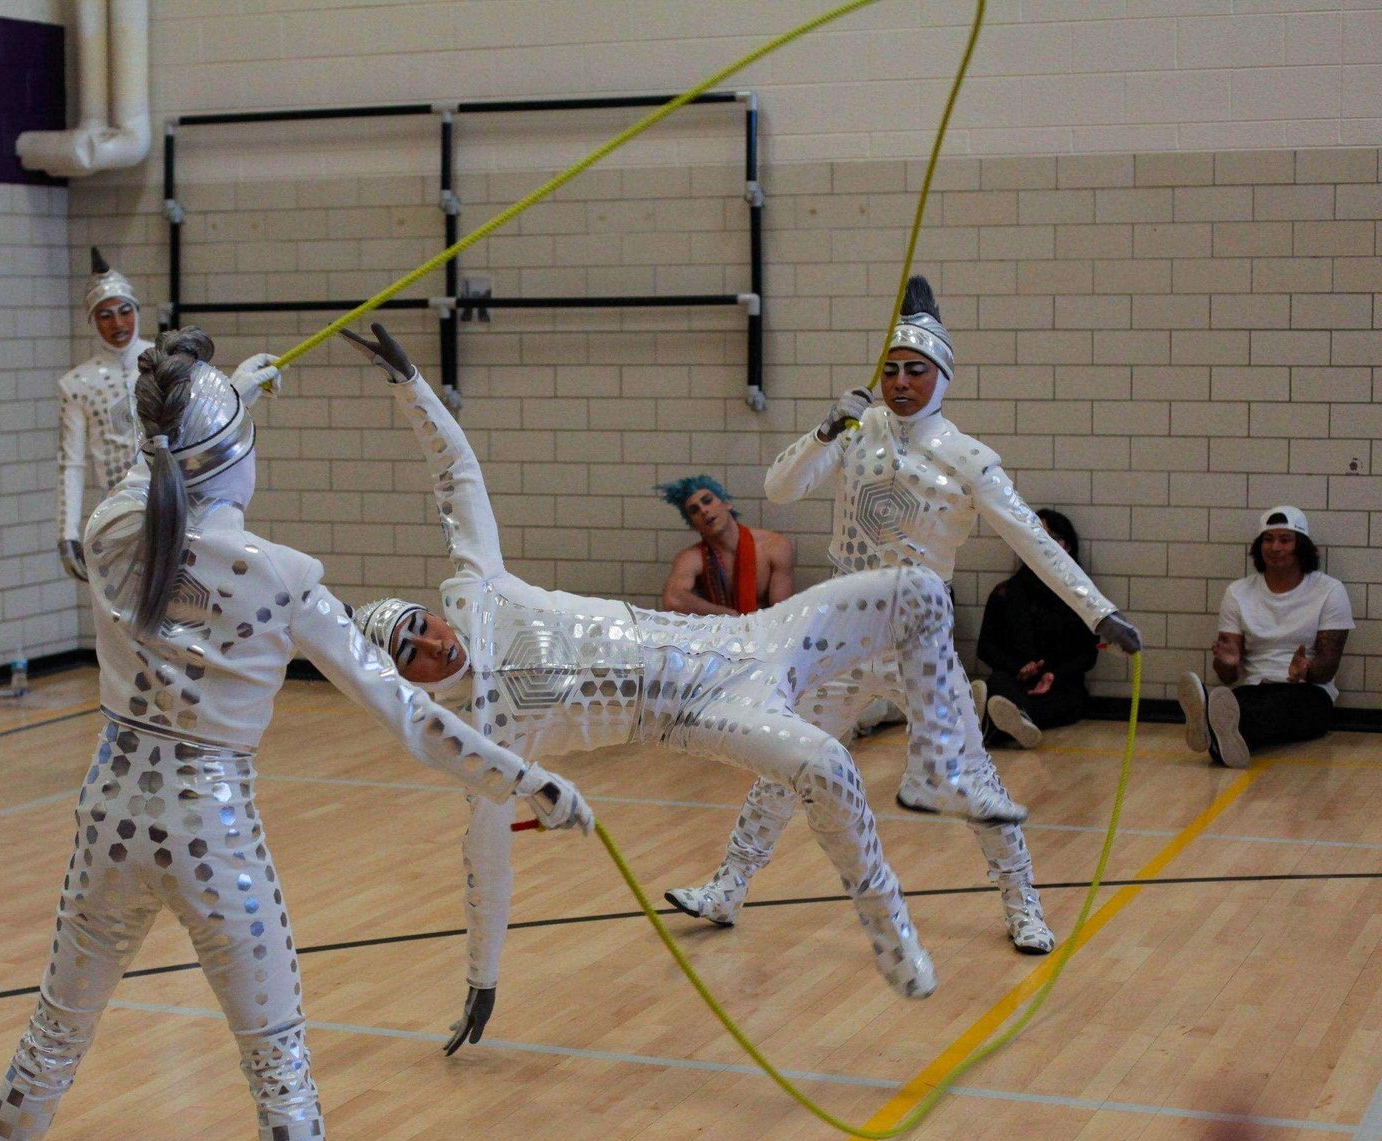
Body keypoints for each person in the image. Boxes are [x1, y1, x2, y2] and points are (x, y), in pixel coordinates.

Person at [0, 328, 594, 1141]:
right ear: (231, 459)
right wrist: (527, 780)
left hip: (108, 814)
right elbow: (412, 716)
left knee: (55, 1031)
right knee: (277, 1061)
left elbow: (146, 476)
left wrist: (233, 394)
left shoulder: (111, 533)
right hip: (214, 835)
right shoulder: (282, 578)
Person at [342, 323, 1027, 1051]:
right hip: (700, 712)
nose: (432, 644)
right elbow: (484, 866)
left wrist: (411, 385)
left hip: (749, 636)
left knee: (914, 589)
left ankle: (945, 756)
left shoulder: (479, 589)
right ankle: (889, 925)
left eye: (421, 625)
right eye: (411, 652)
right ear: (401, 675)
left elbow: (456, 475)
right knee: (826, 764)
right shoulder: (476, 740)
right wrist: (482, 980)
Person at [665, 275, 1142, 955]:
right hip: (842, 634)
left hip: (917, 639)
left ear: (942, 376)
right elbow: (780, 487)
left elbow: (1033, 542)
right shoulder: (855, 430)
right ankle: (728, 886)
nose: (900, 382)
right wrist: (823, 430)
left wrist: (1099, 613)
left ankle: (1024, 906)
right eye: (890, 369)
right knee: (787, 757)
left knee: (972, 777)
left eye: (916, 370)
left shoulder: (970, 460)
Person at [1178, 505, 1353, 768]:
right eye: (1268, 540)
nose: (1275, 547)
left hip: (1308, 692)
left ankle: (1208, 725)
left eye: (1285, 540)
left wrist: (1306, 670)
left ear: (1301, 545)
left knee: (1269, 710)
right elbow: (1228, 677)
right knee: (1239, 704)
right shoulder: (1238, 592)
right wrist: (1227, 663)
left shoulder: (1330, 590)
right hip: (1254, 687)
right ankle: (1219, 736)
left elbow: (1328, 666)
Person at [56, 248, 153, 581]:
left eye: (125, 312)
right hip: (116, 518)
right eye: (105, 315)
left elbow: (209, 413)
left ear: (136, 312)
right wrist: (67, 532)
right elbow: (71, 463)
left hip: (173, 507)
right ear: (93, 322)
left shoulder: (163, 362)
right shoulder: (77, 384)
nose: (118, 324)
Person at [973, 508, 1100, 749]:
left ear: (1067, 546)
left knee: (1066, 701)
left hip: (1060, 684)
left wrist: (1053, 674)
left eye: (1052, 538)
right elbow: (986, 647)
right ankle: (1011, 721)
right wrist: (1018, 669)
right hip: (1015, 682)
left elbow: (1088, 654)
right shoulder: (1006, 592)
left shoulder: (1081, 595)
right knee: (999, 685)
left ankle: (995, 724)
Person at [657, 474, 795, 615]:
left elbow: (781, 613)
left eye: (707, 501)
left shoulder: (774, 546)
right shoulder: (691, 558)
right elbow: (672, 599)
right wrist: (726, 615)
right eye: (694, 510)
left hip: (765, 627)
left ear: (727, 503)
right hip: (719, 627)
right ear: (694, 526)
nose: (704, 510)